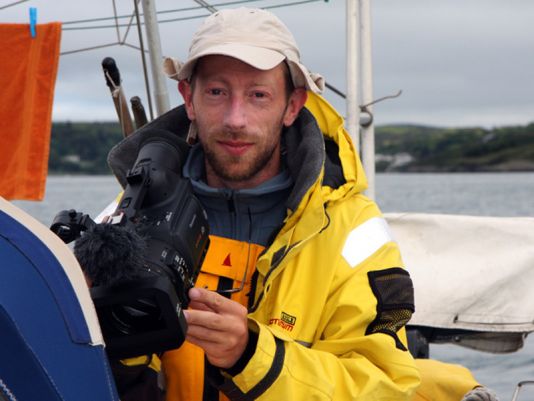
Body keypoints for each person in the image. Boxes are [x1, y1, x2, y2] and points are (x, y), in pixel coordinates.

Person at [107, 7, 420, 400]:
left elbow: (387, 388)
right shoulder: (129, 213)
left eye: (258, 95)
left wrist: (251, 355)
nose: (236, 119)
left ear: (292, 105)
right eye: (217, 92)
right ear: (189, 99)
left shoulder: (350, 231)